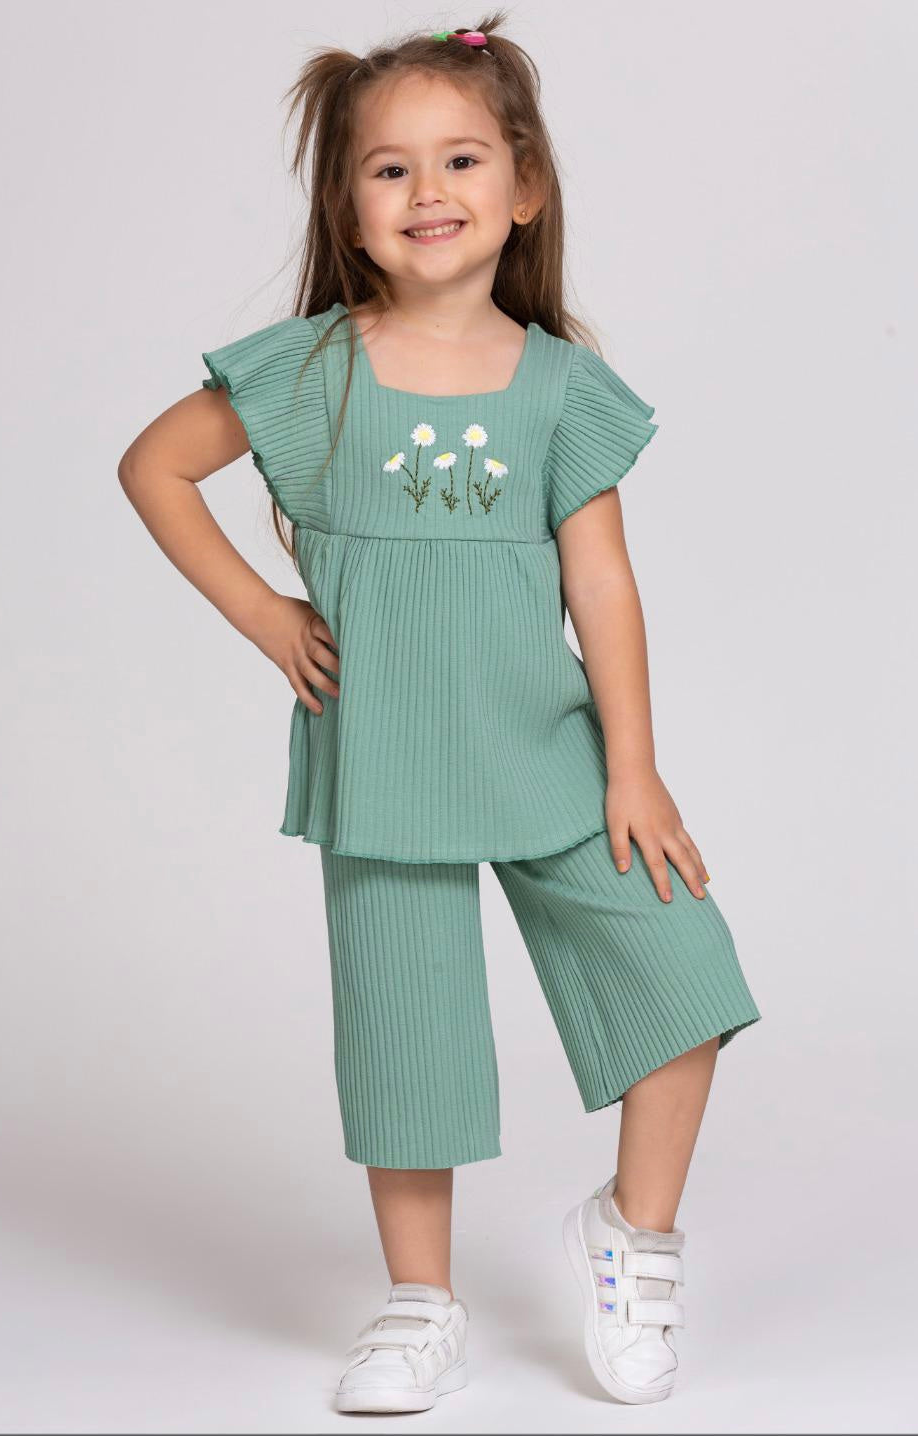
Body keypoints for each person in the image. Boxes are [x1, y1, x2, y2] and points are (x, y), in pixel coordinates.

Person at [117, 14, 762, 1415]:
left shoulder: (562, 388)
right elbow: (155, 466)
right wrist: (268, 617)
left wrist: (636, 768)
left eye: (461, 159)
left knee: (683, 974)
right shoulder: (311, 370)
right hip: (383, 764)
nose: (428, 192)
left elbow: (604, 584)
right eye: (390, 168)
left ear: (524, 187)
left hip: (549, 754)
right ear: (347, 208)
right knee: (407, 1038)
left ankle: (634, 1237)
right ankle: (420, 1304)